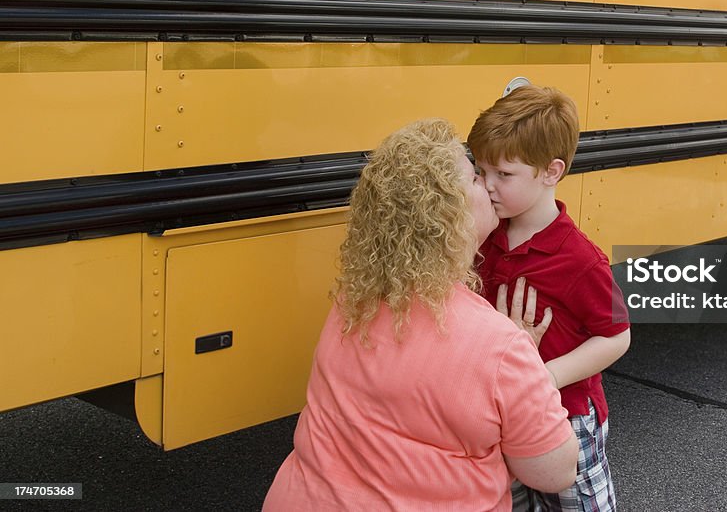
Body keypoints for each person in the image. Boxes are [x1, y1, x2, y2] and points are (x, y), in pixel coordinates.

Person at [263, 119, 578, 511]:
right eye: (476, 179)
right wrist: (529, 362)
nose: (489, 185)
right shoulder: (503, 347)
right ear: (449, 215)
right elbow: (556, 472)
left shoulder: (353, 299)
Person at [468, 86, 632, 511]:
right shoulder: (487, 235)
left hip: (567, 413)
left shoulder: (580, 258)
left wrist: (548, 376)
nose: (487, 186)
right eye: (481, 171)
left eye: (503, 175)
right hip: (502, 409)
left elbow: (616, 335)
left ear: (551, 171)